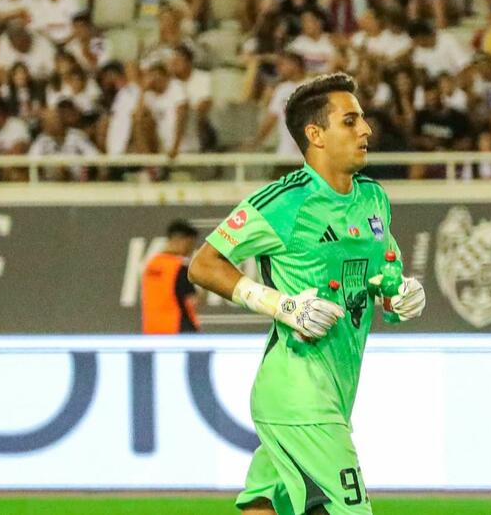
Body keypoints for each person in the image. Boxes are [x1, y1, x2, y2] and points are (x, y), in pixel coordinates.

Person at [188, 72, 426, 515]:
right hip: (298, 390)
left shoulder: (373, 198)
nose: (366, 130)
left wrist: (399, 297)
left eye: (362, 119)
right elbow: (203, 264)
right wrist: (281, 305)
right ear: (315, 135)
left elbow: (384, 274)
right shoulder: (284, 201)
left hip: (334, 390)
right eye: (350, 121)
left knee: (265, 503)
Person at [141, 220, 201, 334]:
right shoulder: (180, 267)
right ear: (184, 241)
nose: (191, 250)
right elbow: (192, 301)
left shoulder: (151, 265)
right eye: (191, 245)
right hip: (178, 330)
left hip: (152, 331)